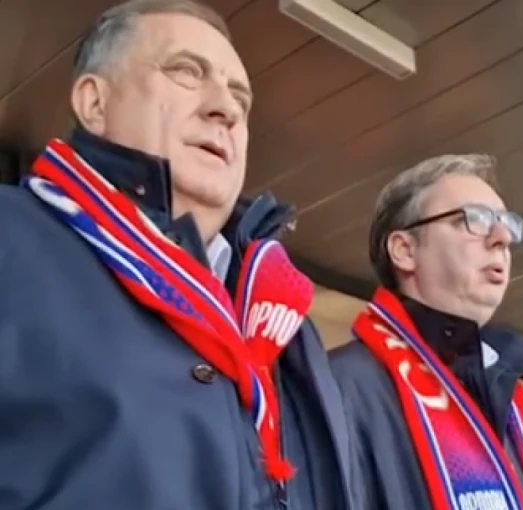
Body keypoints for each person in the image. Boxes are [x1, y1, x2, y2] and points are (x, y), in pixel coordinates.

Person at [0, 1, 353, 508]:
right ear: (95, 103)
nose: (226, 109)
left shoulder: (283, 319)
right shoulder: (11, 237)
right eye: (186, 71)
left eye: (240, 98)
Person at [330, 154, 523, 510]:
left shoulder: (511, 399)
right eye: (474, 219)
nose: (503, 238)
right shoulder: (339, 386)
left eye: (506, 223)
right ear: (405, 251)